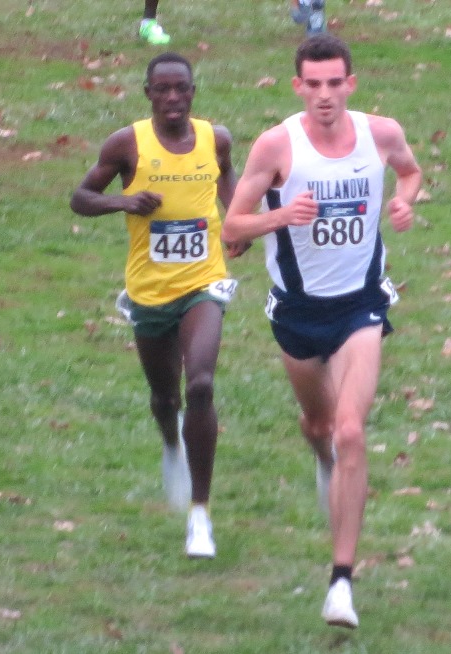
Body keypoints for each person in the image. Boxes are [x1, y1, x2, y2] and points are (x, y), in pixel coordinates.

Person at [222, 34, 421, 628]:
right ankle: (324, 459)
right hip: (297, 314)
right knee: (319, 426)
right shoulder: (276, 145)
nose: (326, 95)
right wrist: (282, 215)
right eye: (315, 84)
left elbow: (410, 172)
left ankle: (340, 584)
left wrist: (406, 202)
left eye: (336, 83)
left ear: (350, 85)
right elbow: (233, 224)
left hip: (360, 305)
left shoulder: (379, 134)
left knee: (351, 431)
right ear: (298, 87)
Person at [71, 52, 247, 559]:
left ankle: (200, 515)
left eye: (182, 89)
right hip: (150, 291)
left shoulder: (216, 139)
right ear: (147, 92)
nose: (173, 98)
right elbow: (80, 197)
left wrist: (235, 222)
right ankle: (172, 443)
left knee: (202, 384)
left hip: (203, 282)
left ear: (193, 92)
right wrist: (123, 201)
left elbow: (227, 178)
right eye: (163, 89)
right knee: (165, 397)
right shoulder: (127, 144)